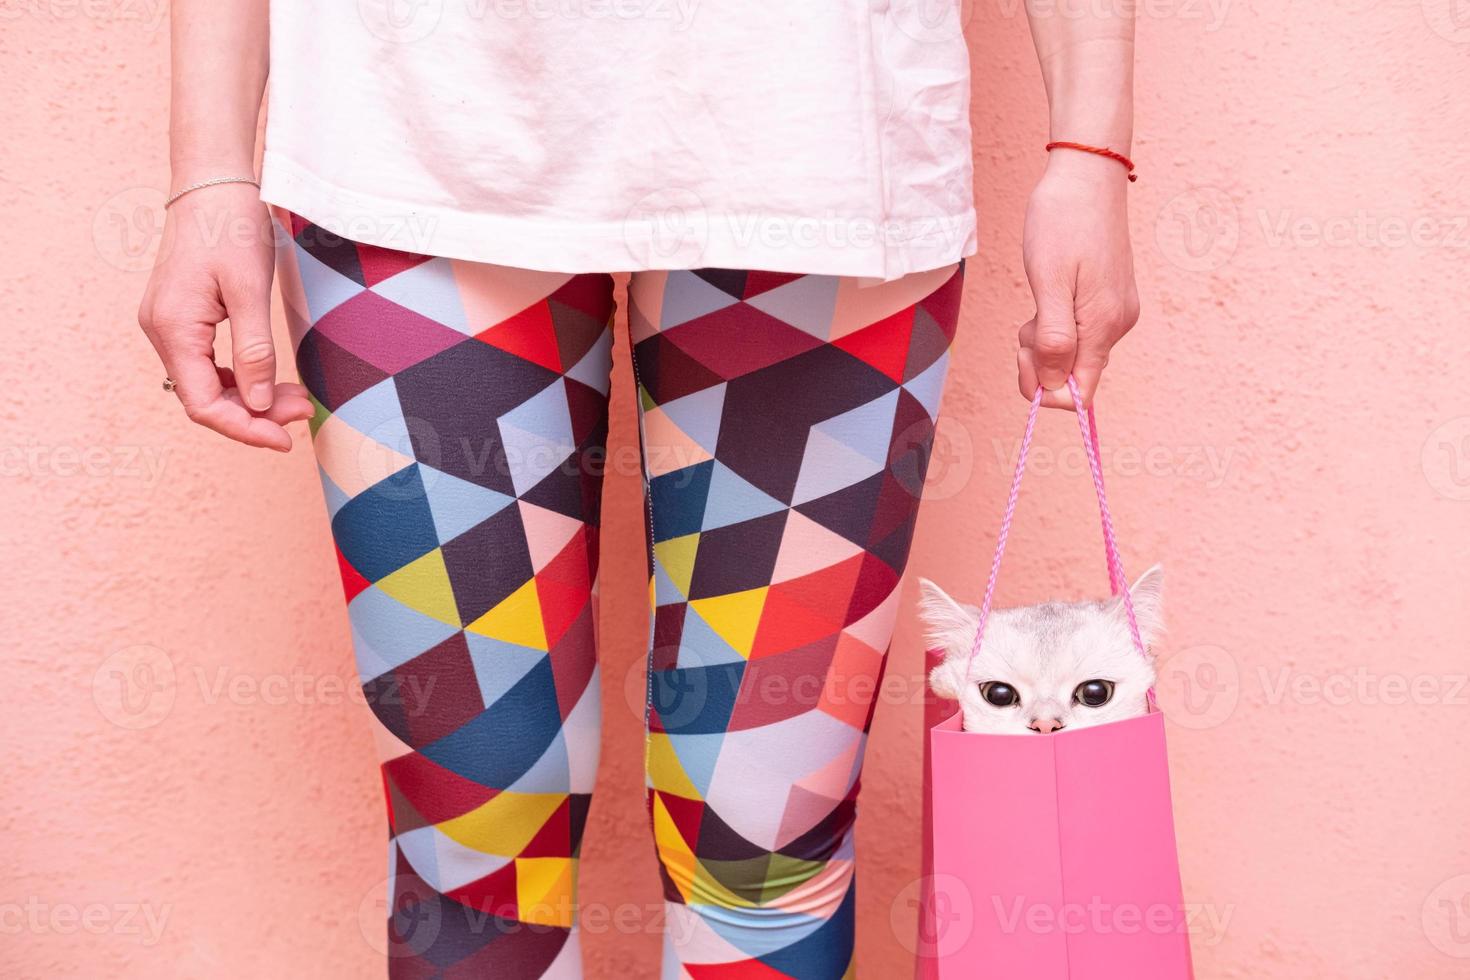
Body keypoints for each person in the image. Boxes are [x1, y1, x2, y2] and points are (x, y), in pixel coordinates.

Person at [137, 1, 1141, 975]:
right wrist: (206, 173)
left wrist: (1089, 153)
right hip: (408, 137)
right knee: (474, 853)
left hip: (821, 142)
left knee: (765, 855)